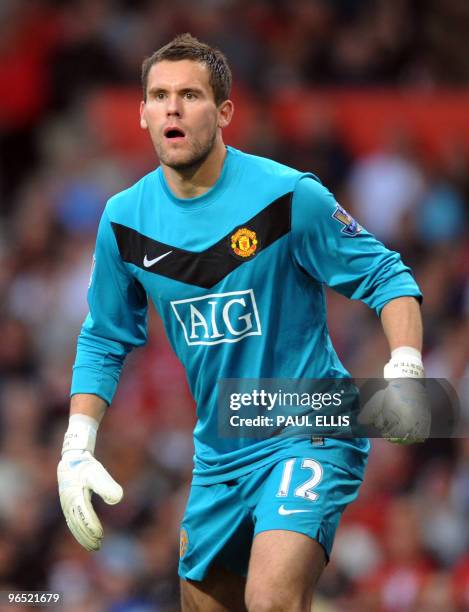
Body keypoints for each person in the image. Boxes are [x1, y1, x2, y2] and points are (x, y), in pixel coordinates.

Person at [57, 34, 427, 612]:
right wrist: (77, 445)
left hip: (311, 424)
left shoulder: (288, 196)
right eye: (159, 95)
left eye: (189, 95)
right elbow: (104, 336)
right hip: (219, 454)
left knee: (271, 599)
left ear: (225, 111)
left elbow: (388, 276)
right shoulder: (124, 220)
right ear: (142, 113)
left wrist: (404, 367)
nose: (172, 108)